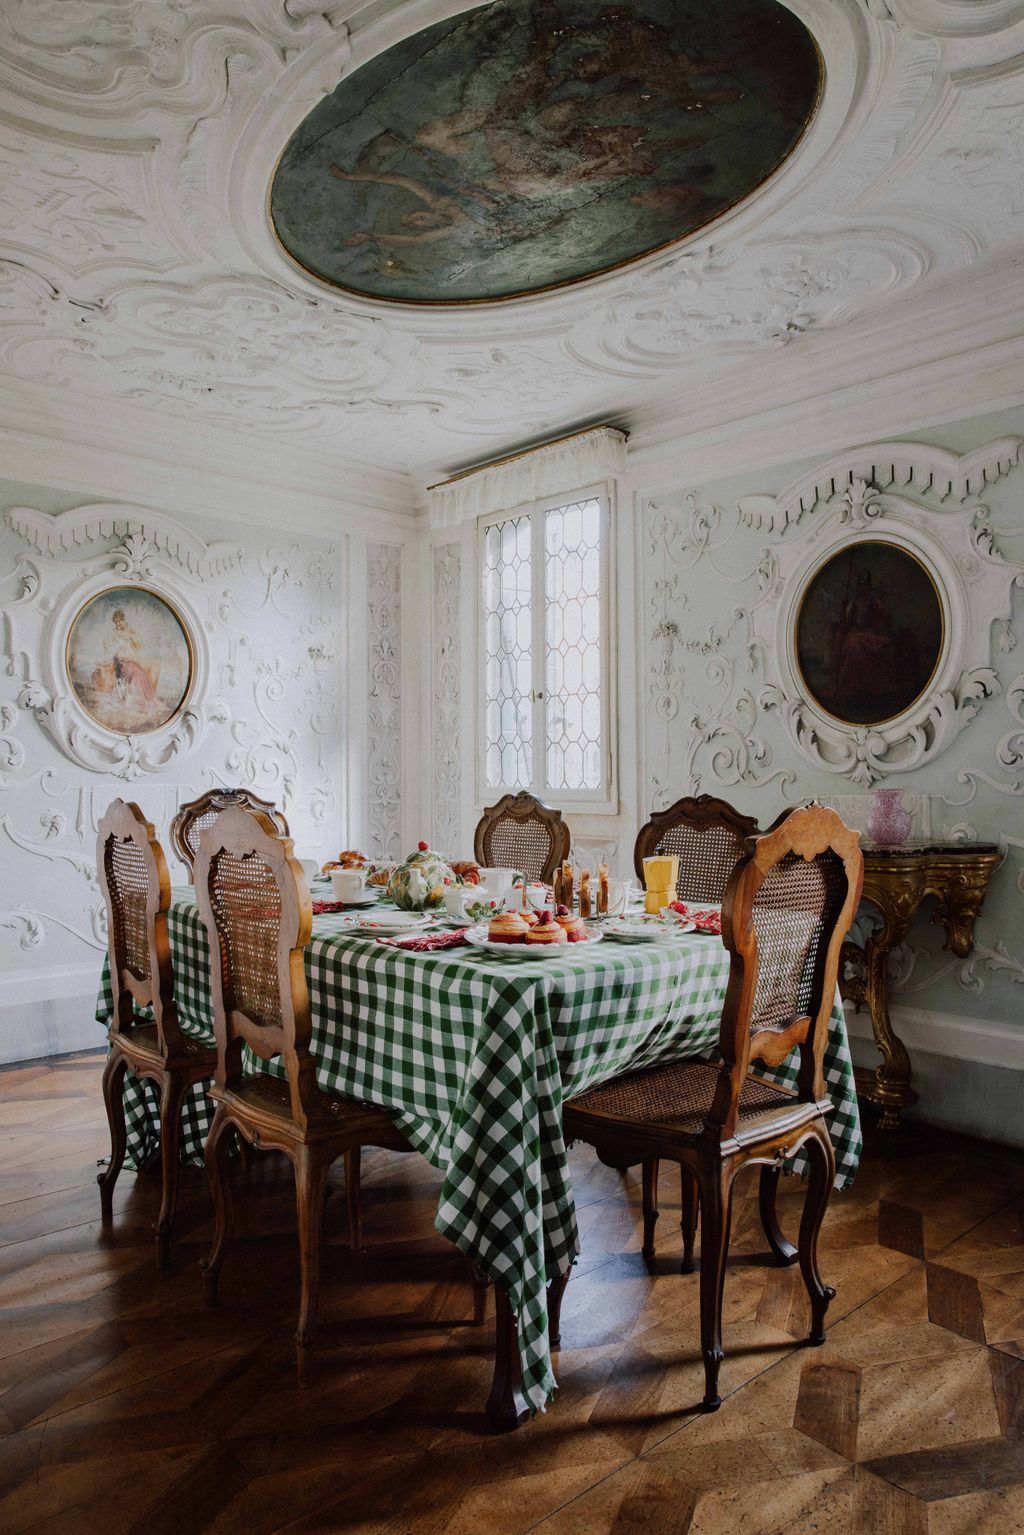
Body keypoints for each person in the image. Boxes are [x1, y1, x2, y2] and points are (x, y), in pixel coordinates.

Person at [828, 569, 898, 710]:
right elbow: (845, 624)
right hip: (855, 635)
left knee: (873, 644)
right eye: (860, 585)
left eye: (865, 585)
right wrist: (843, 610)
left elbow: (886, 616)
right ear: (857, 587)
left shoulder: (874, 602)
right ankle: (852, 687)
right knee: (853, 643)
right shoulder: (852, 604)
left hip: (871, 637)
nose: (862, 588)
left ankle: (875, 687)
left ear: (869, 587)